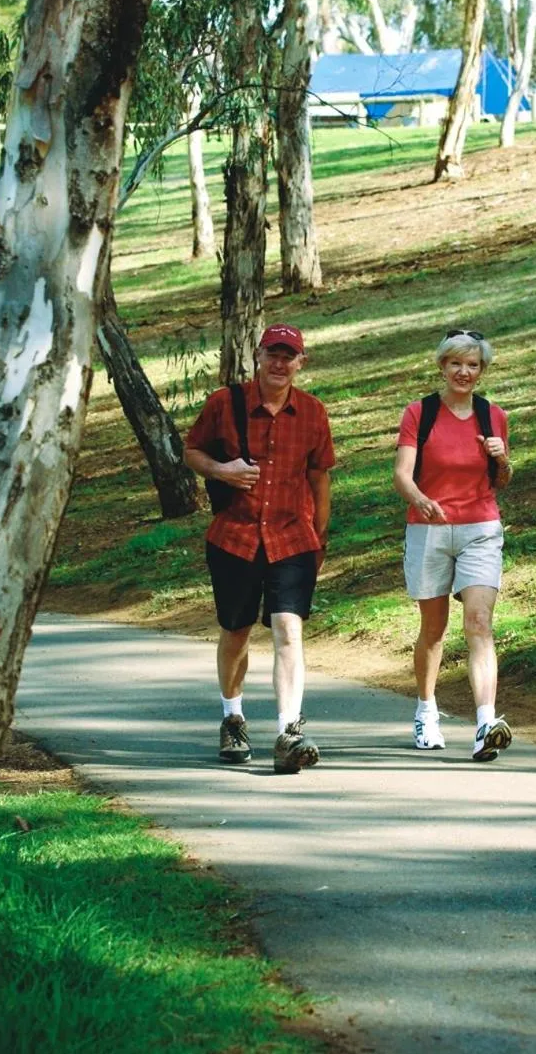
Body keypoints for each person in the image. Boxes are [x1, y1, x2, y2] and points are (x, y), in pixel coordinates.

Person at [184, 324, 335, 774]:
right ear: (258, 354)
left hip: (292, 537)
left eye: (290, 356)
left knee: (288, 628)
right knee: (237, 630)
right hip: (235, 536)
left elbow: (320, 477)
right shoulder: (224, 404)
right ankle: (232, 717)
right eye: (273, 353)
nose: (280, 362)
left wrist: (320, 538)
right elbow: (192, 451)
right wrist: (222, 471)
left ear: (301, 363)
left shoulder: (312, 412)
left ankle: (289, 731)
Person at [393, 329, 513, 762]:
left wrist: (501, 457)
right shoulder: (419, 413)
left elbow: (501, 481)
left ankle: (485, 724)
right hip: (428, 528)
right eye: (456, 363)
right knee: (434, 629)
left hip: (480, 526)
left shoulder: (492, 415)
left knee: (479, 623)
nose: (464, 372)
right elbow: (402, 474)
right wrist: (421, 501)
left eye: (473, 365)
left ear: (482, 371)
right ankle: (426, 711)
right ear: (442, 366)